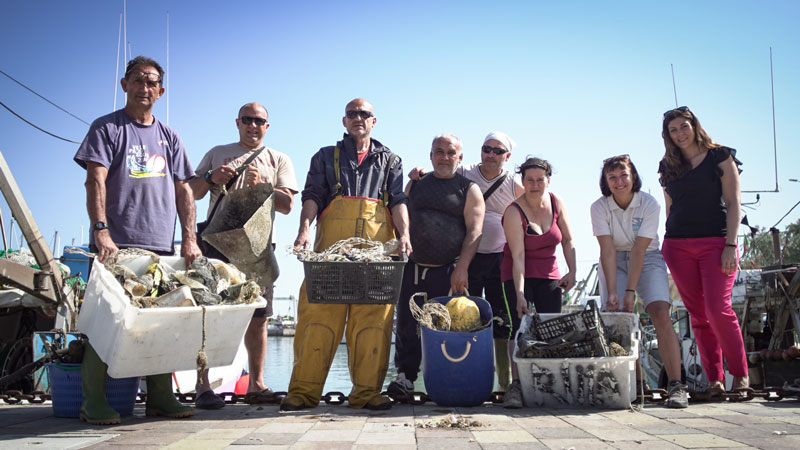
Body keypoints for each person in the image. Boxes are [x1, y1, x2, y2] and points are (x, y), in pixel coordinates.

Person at [73, 56, 199, 424]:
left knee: (162, 325)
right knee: (106, 322)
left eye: (152, 83)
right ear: (125, 84)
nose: (145, 88)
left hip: (162, 246)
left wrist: (188, 240)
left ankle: (161, 396)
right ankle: (92, 400)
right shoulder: (107, 128)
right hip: (119, 244)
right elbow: (94, 180)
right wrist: (101, 230)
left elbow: (185, 191)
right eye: (138, 80)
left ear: (161, 91)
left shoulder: (170, 136)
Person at [280, 98, 411, 411]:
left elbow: (397, 200)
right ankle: (302, 393)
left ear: (373, 121)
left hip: (377, 254)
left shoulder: (391, 160)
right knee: (318, 317)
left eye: (364, 114)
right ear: (344, 121)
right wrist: (304, 231)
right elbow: (311, 196)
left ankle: (367, 394)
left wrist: (405, 235)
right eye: (352, 114)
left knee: (374, 320)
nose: (358, 119)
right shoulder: (324, 156)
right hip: (331, 253)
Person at [189, 102, 298, 409]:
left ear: (267, 126)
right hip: (216, 244)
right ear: (237, 122)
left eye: (259, 121)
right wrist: (212, 178)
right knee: (209, 314)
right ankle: (202, 386)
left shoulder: (279, 159)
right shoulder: (216, 152)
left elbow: (287, 204)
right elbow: (193, 191)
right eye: (248, 120)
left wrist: (262, 186)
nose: (253, 125)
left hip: (258, 246)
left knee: (259, 317)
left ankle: (257, 384)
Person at [407, 131, 523, 392]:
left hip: (500, 258)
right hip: (469, 260)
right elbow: (441, 168)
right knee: (466, 319)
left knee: (502, 321)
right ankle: (465, 376)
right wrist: (418, 172)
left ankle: (505, 385)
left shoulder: (515, 184)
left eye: (498, 151)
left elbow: (531, 205)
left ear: (507, 156)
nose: (491, 154)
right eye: (487, 149)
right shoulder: (467, 171)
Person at [388, 134, 485, 399]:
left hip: (448, 269)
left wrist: (462, 267)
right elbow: (400, 215)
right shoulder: (416, 183)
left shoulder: (469, 189)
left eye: (450, 152)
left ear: (460, 157)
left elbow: (475, 232)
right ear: (430, 155)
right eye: (438, 151)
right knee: (407, 326)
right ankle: (405, 379)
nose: (444, 157)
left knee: (447, 328)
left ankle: (449, 379)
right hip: (412, 266)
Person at [659, 106, 747, 394]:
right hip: (677, 246)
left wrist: (731, 245)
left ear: (695, 125)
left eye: (684, 126)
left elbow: (734, 203)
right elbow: (670, 210)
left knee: (718, 309)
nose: (680, 134)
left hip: (717, 243)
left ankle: (741, 377)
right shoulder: (668, 165)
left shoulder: (720, 156)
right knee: (697, 315)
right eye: (673, 130)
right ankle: (715, 381)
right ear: (667, 135)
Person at [590, 155, 687, 408]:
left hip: (647, 256)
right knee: (620, 315)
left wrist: (630, 291)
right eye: (612, 177)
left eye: (624, 175)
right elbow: (607, 251)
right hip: (614, 260)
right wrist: (613, 292)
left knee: (659, 310)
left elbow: (639, 251)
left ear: (633, 177)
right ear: (606, 181)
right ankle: (635, 381)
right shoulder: (599, 207)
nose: (619, 181)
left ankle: (676, 384)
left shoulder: (648, 203)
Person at [501, 157, 576, 408]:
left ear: (548, 181)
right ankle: (516, 385)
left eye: (539, 180)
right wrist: (520, 294)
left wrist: (572, 271)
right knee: (518, 327)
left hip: (549, 273)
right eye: (529, 180)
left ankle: (549, 384)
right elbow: (518, 256)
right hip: (517, 273)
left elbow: (567, 240)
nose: (535, 185)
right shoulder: (513, 211)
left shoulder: (556, 202)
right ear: (522, 182)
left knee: (550, 328)